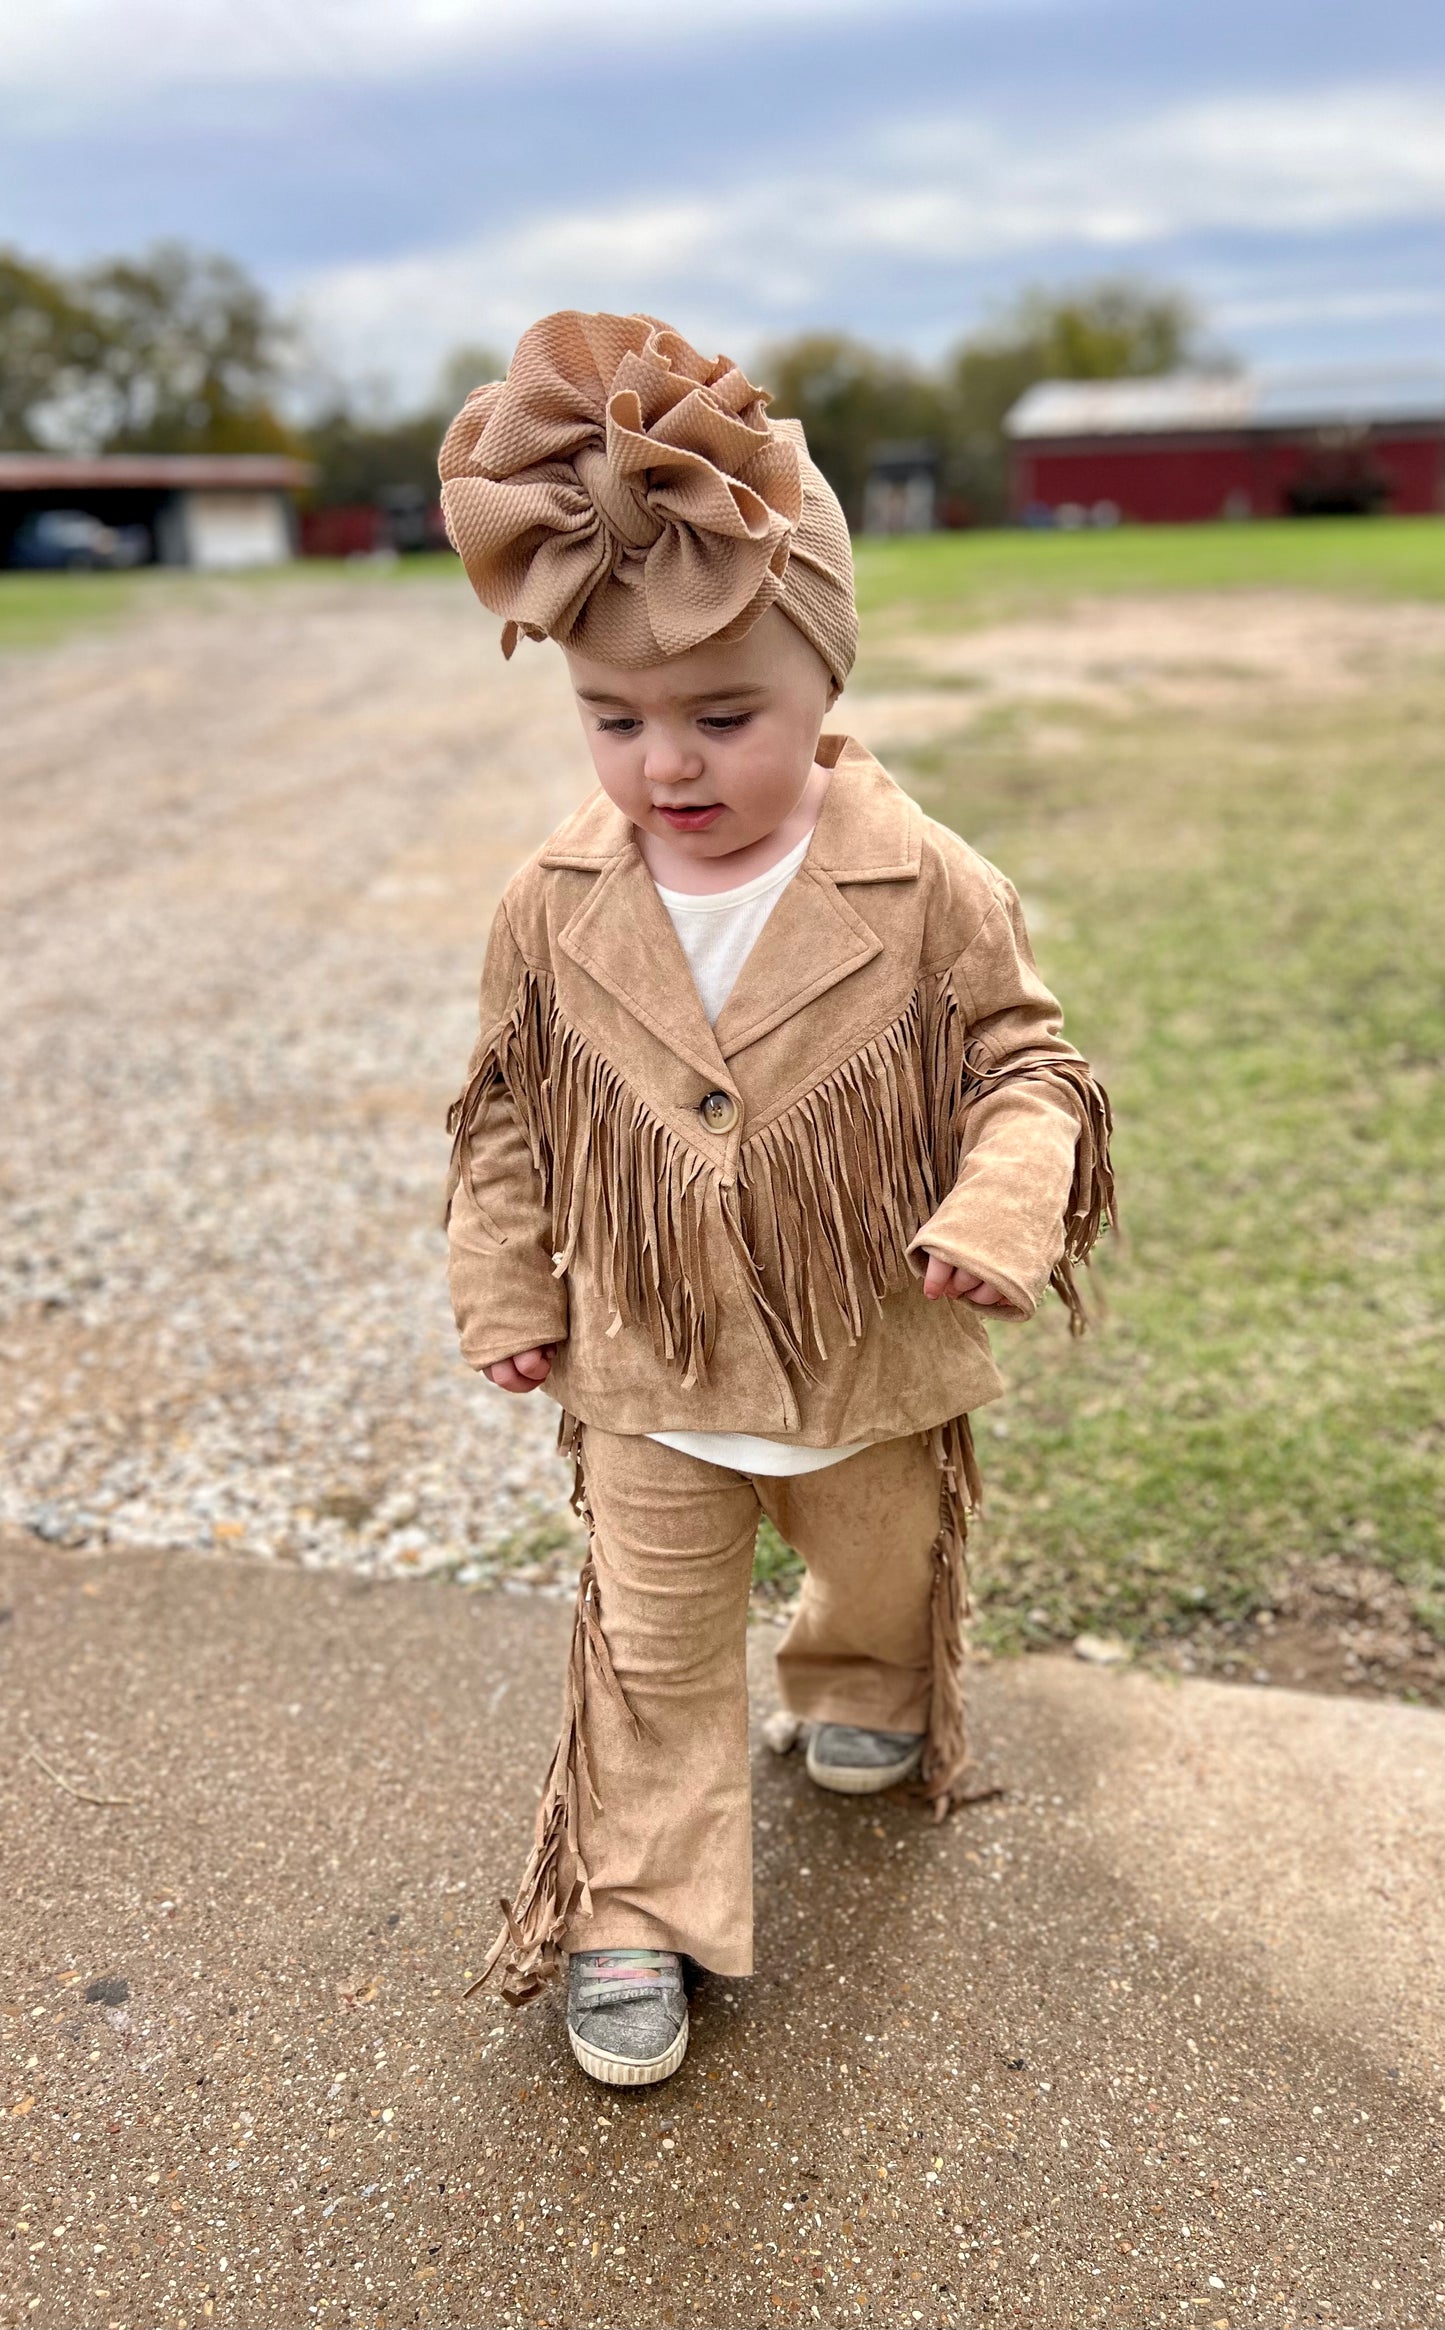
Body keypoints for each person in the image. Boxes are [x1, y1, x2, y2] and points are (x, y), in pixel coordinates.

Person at [438, 309, 1115, 2089]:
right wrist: (504, 1282)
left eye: (723, 716)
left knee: (872, 1568)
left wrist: (999, 1207)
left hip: (868, 1356)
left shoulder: (927, 880)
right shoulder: (551, 899)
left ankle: (862, 1685)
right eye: (615, 720)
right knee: (653, 1646)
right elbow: (506, 1105)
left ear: (825, 691)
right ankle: (633, 1905)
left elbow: (1031, 1069)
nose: (668, 765)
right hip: (653, 1367)